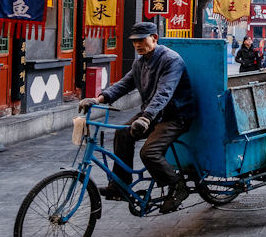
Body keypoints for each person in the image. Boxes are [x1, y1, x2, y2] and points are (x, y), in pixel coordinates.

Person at [78, 22, 195, 214]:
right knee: (123, 134)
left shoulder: (171, 60)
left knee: (149, 152)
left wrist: (146, 117)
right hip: (152, 113)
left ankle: (177, 186)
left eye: (142, 40)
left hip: (175, 115)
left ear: (154, 38)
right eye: (134, 42)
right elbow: (124, 84)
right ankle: (119, 185)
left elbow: (164, 93)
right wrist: (98, 99)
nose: (138, 45)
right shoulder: (140, 62)